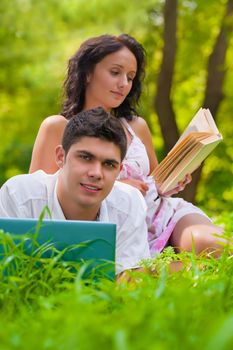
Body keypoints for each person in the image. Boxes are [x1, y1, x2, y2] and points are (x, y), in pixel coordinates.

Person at [29, 34, 224, 257]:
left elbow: (155, 183)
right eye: (115, 72)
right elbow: (40, 201)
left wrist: (172, 180)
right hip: (113, 226)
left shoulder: (136, 126)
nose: (124, 84)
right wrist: (119, 189)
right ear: (88, 73)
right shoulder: (57, 127)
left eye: (130, 77)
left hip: (159, 216)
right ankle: (152, 273)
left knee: (213, 245)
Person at [0, 107, 151, 276]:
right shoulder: (18, 195)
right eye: (85, 157)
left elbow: (129, 282)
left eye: (109, 164)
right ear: (60, 157)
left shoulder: (130, 204)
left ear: (119, 170)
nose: (96, 173)